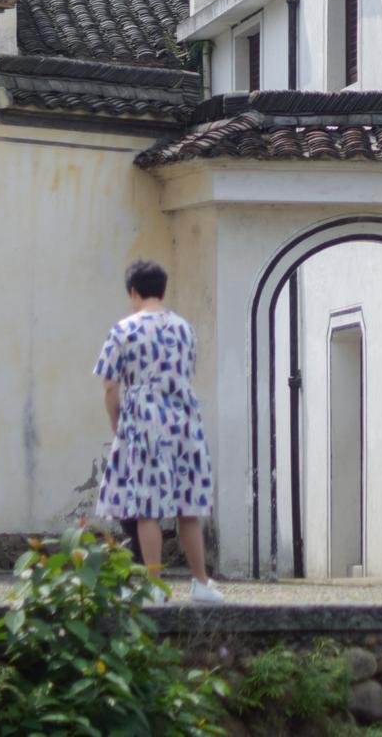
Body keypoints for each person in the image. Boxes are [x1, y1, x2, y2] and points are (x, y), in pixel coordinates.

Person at [94, 259, 223, 604]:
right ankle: (201, 583)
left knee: (147, 506)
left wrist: (116, 421)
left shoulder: (124, 330)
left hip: (144, 418)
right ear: (162, 291)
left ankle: (153, 585)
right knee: (188, 505)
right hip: (185, 418)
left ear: (134, 292)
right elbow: (187, 372)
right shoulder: (186, 329)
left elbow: (110, 385)